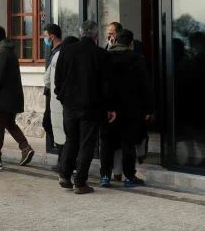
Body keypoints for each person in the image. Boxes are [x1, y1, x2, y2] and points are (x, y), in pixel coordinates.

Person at [54, 20, 116, 195]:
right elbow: (107, 85)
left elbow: (58, 78)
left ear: (80, 33)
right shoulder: (101, 55)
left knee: (71, 140)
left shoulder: (66, 51)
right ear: (96, 35)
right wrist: (109, 107)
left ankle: (65, 175)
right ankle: (80, 182)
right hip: (91, 106)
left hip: (70, 105)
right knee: (86, 143)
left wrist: (62, 96)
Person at [99, 29, 147, 188]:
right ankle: (129, 177)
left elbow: (100, 83)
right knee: (128, 143)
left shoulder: (105, 58)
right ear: (131, 43)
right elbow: (145, 86)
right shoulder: (136, 59)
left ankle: (105, 176)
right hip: (130, 109)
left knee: (106, 143)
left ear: (115, 40)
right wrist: (148, 109)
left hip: (108, 109)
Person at [0, 26, 35, 166]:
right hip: (11, 97)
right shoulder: (8, 51)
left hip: (3, 98)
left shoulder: (1, 52)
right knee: (9, 124)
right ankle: (25, 148)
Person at [44, 34, 78, 172]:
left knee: (59, 133)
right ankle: (69, 165)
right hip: (68, 104)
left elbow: (46, 80)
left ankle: (62, 162)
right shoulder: (72, 58)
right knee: (69, 135)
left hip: (55, 102)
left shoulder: (56, 57)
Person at [41, 23, 63, 155]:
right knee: (48, 123)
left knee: (51, 124)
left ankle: (62, 154)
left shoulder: (60, 52)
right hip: (51, 93)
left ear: (52, 36)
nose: (45, 39)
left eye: (45, 36)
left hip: (55, 94)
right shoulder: (54, 50)